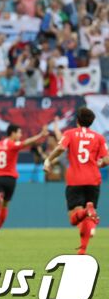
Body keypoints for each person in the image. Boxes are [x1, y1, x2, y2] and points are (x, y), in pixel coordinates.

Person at [43, 107, 109, 255]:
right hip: (93, 179)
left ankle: (87, 211)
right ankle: (83, 249)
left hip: (75, 180)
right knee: (88, 219)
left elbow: (60, 148)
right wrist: (99, 164)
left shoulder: (70, 134)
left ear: (77, 120)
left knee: (74, 220)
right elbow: (106, 159)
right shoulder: (99, 137)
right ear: (91, 122)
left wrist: (48, 159)